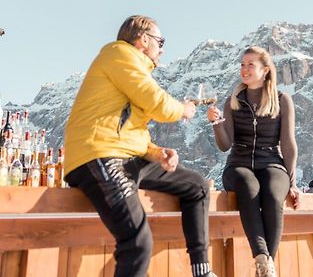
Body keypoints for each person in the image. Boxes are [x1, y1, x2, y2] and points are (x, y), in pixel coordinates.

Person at [64, 15, 216, 277]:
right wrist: (184, 110)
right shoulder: (118, 55)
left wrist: (157, 154)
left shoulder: (131, 70)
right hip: (99, 156)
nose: (163, 48)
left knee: (197, 187)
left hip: (126, 156)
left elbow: (132, 130)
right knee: (137, 243)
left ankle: (201, 271)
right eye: (161, 41)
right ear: (143, 39)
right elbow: (156, 101)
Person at [207, 46, 301, 277]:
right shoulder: (233, 101)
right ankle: (262, 258)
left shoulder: (282, 100)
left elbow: (288, 143)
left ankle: (267, 265)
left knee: (272, 192)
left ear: (265, 70)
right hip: (238, 164)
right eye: (242, 64)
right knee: (249, 187)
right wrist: (217, 124)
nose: (244, 69)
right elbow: (224, 145)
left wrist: (293, 182)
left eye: (251, 64)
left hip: (271, 162)